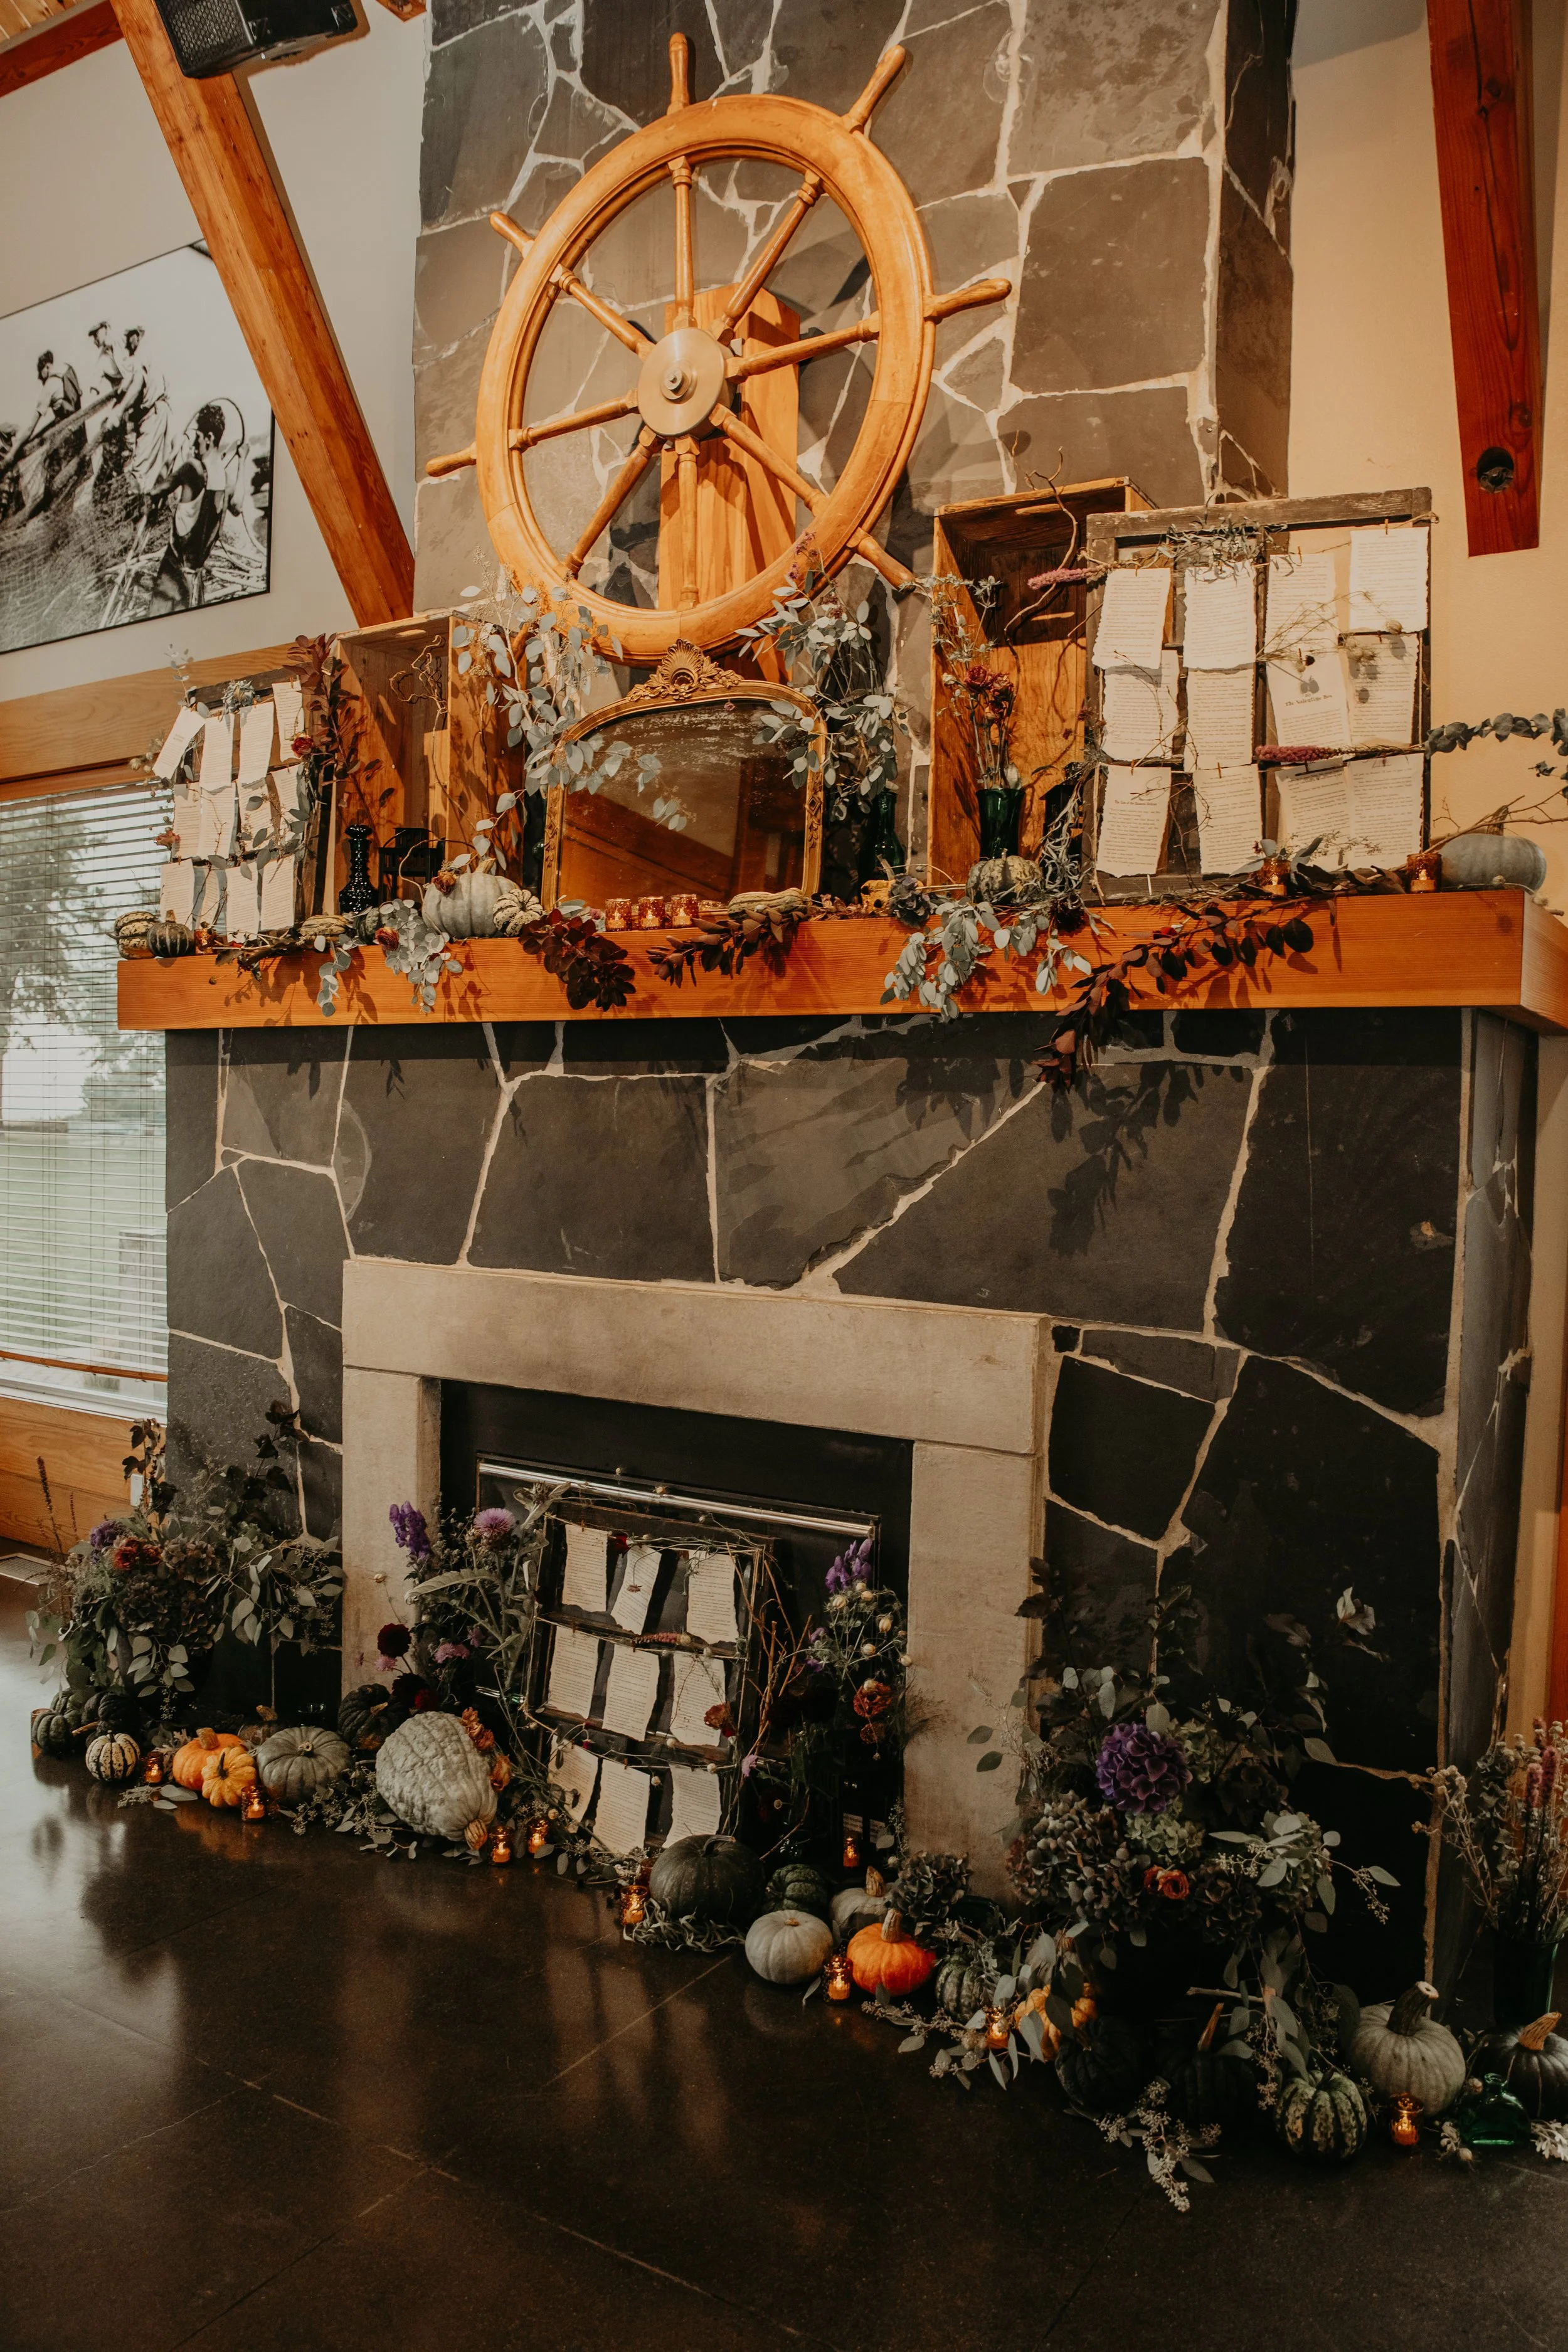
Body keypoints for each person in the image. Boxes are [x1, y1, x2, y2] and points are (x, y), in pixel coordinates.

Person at [147, 403, 238, 612]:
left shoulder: (193, 469)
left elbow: (156, 491)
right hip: (195, 581)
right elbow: (237, 506)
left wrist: (173, 451)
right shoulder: (227, 479)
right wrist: (241, 462)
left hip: (172, 578)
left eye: (198, 436)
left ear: (209, 438)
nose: (195, 442)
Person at [15, 350, 88, 516]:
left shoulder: (50, 385)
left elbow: (31, 427)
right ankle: (65, 515)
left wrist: (14, 452)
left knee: (55, 479)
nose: (41, 379)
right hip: (78, 434)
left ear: (47, 367)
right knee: (70, 479)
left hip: (63, 440)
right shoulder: (68, 371)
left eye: (41, 373)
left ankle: (55, 517)